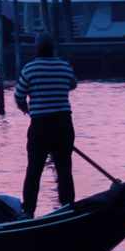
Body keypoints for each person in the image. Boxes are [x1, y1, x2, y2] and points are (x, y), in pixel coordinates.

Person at [15, 35, 81, 210]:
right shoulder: (64, 67)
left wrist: (27, 110)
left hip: (40, 126)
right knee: (64, 169)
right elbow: (72, 84)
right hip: (63, 124)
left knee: (34, 171)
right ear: (53, 49)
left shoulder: (29, 69)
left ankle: (28, 211)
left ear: (36, 49)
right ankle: (67, 207)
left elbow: (19, 96)